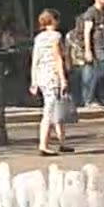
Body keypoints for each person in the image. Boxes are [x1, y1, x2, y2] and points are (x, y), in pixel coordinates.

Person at [29, 9, 71, 156]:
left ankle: (62, 142)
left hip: (41, 76)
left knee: (55, 107)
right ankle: (43, 144)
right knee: (50, 110)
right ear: (53, 20)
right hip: (52, 76)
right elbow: (58, 58)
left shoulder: (38, 38)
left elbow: (35, 60)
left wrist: (34, 81)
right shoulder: (56, 36)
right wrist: (63, 79)